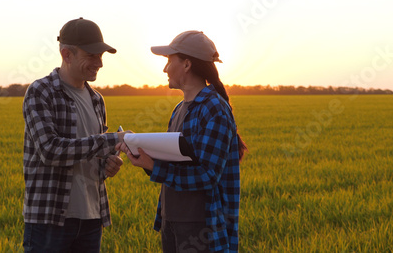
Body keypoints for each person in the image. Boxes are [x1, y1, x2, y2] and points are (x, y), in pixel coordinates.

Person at [116, 31, 247, 252]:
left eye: (169, 61)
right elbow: (178, 161)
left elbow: (208, 175)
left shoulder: (213, 109)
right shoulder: (179, 109)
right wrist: (144, 156)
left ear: (187, 65)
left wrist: (154, 167)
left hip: (200, 228)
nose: (165, 69)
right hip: (172, 221)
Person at [22, 17, 127, 252]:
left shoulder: (97, 100)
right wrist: (112, 140)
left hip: (92, 218)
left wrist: (108, 165)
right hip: (50, 221)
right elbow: (50, 151)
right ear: (67, 54)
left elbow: (94, 156)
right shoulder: (41, 92)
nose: (99, 63)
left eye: (100, 56)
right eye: (91, 55)